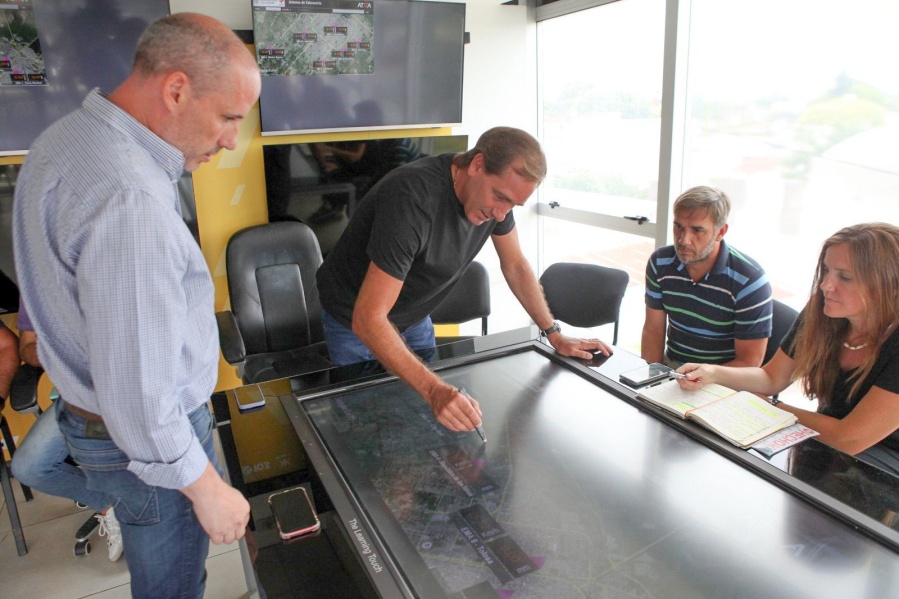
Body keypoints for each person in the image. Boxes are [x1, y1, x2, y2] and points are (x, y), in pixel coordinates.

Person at [13, 13, 260, 597]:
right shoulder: (129, 200)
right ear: (176, 89)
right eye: (228, 117)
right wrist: (206, 487)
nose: (232, 140)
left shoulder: (67, 138)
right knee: (172, 585)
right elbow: (140, 397)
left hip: (92, 419)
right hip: (146, 445)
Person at [316, 126, 612, 433]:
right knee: (365, 422)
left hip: (413, 315)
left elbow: (515, 265)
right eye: (501, 198)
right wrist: (434, 390)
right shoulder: (412, 199)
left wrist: (554, 334)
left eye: (512, 205)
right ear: (477, 164)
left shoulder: (495, 201)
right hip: (354, 316)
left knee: (420, 418)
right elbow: (368, 319)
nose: (501, 214)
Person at [676, 223, 899, 477]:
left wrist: (770, 408)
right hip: (827, 449)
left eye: (845, 277)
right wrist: (713, 373)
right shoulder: (822, 313)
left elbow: (849, 438)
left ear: (890, 284)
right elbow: (772, 377)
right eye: (826, 270)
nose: (826, 285)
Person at [10, 302, 123, 561]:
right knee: (28, 467)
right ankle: (111, 505)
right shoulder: (37, 287)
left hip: (134, 383)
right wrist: (55, 356)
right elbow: (27, 345)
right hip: (78, 396)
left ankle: (150, 511)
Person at [642, 185, 773, 368]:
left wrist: (695, 379)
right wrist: (649, 375)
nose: (683, 240)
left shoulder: (749, 280)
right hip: (673, 367)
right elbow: (653, 329)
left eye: (697, 230)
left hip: (724, 377)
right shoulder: (660, 262)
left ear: (720, 232)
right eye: (678, 226)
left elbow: (749, 362)